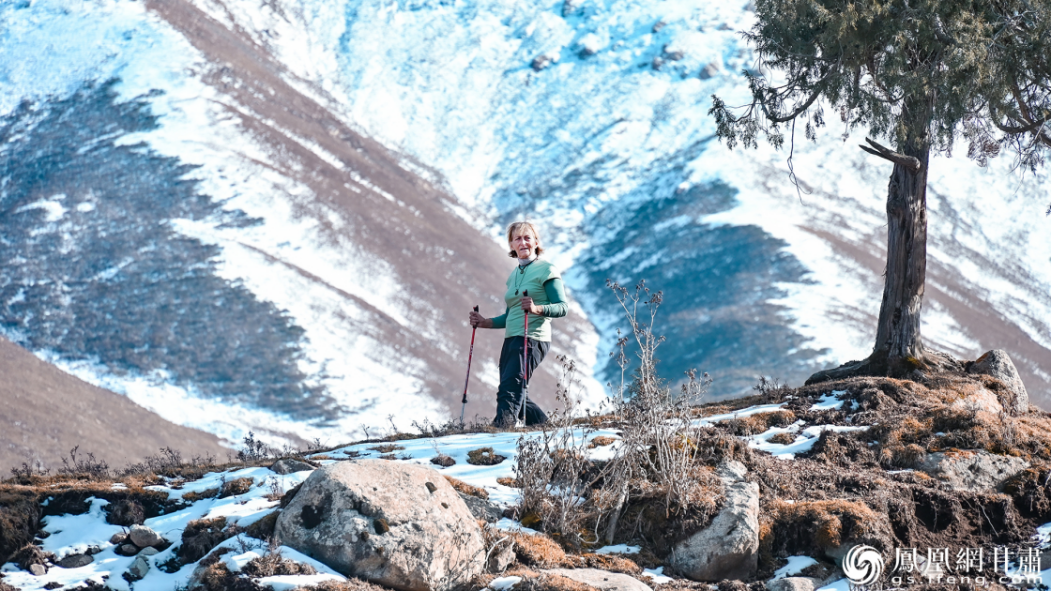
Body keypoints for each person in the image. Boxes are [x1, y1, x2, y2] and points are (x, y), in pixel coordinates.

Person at [469, 221, 568, 426]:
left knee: (510, 389)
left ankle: (500, 431)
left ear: (536, 242)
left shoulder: (547, 270)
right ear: (512, 245)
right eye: (518, 239)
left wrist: (537, 309)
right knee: (517, 392)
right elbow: (510, 316)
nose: (523, 242)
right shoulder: (514, 275)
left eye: (527, 238)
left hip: (532, 338)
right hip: (512, 339)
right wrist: (485, 322)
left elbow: (562, 307)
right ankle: (546, 429)